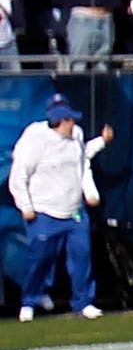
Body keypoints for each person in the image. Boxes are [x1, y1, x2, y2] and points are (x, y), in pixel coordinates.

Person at [11, 95, 109, 320]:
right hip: (44, 212)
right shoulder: (35, 140)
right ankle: (30, 301)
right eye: (68, 120)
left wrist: (102, 142)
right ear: (57, 121)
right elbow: (18, 176)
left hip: (74, 212)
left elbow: (83, 160)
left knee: (82, 255)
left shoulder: (77, 135)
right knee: (40, 260)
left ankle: (83, 302)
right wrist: (26, 207)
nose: (72, 124)